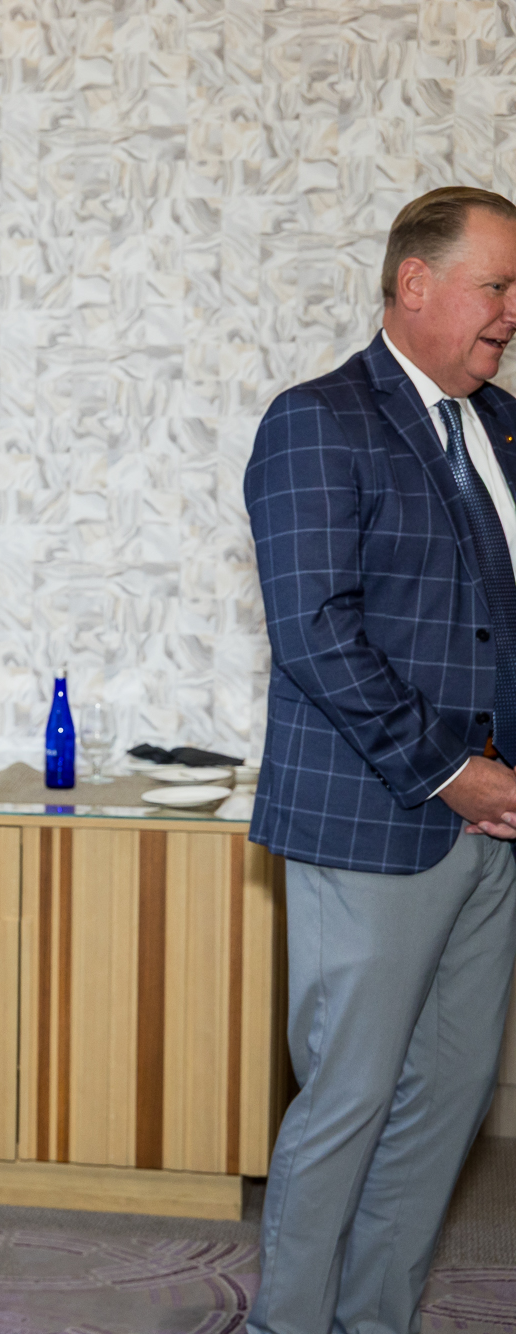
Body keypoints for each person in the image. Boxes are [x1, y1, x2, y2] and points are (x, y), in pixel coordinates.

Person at [245, 187, 516, 1334]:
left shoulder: (502, 426)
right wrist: (450, 770)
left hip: (495, 829)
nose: (510, 310)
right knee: (348, 1099)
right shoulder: (317, 420)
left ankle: (373, 1319)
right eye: (494, 284)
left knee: (446, 1099)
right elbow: (314, 629)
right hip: (373, 819)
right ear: (414, 283)